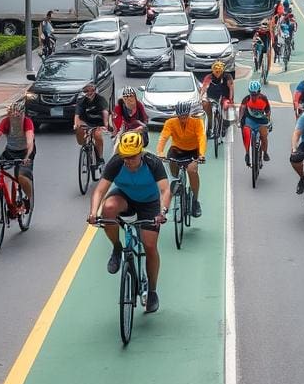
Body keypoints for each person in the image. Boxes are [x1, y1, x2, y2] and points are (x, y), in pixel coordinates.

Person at [88, 132, 171, 312]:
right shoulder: (117, 162)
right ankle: (117, 248)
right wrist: (93, 212)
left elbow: (165, 190)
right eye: (125, 156)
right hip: (125, 196)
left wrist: (162, 212)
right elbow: (99, 191)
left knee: (149, 246)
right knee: (108, 208)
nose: (128, 161)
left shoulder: (152, 162)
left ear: (140, 152)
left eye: (132, 157)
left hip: (149, 203)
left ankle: (152, 291)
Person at [0, 101, 36, 210]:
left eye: (18, 116)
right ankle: (8, 194)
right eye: (12, 116)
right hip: (10, 150)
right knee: (2, 171)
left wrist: (27, 156)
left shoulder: (27, 122)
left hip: (25, 152)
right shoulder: (5, 122)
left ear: (23, 115)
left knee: (22, 176)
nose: (15, 119)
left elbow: (29, 142)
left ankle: (28, 198)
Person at [156, 100, 206, 217]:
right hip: (176, 150)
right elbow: (163, 137)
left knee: (191, 170)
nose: (183, 119)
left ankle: (195, 201)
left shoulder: (197, 122)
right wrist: (160, 151)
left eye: (185, 116)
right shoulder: (170, 123)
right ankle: (177, 187)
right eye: (180, 117)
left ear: (189, 114)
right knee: (173, 174)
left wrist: (202, 154)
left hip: (193, 151)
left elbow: (201, 138)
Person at [74, 82, 110, 166]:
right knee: (79, 131)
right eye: (86, 91)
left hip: (98, 122)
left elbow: (105, 112)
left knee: (97, 136)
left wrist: (106, 124)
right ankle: (85, 146)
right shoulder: (81, 101)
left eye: (92, 90)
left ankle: (100, 157)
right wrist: (76, 124)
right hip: (85, 122)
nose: (89, 93)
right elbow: (77, 115)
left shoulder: (100, 99)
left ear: (95, 91)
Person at [238, 80, 272, 166]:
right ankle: (247, 153)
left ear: (259, 92)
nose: (254, 96)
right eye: (252, 94)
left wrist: (269, 121)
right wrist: (240, 120)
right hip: (250, 119)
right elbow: (241, 109)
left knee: (264, 136)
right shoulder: (246, 99)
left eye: (256, 94)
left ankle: (265, 153)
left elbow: (268, 111)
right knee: (246, 133)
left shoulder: (264, 99)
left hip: (261, 120)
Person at [200, 61, 234, 135]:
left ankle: (224, 124)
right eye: (216, 72)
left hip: (224, 96)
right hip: (212, 96)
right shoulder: (209, 77)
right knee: (205, 105)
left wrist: (231, 99)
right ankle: (209, 126)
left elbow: (231, 88)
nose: (217, 73)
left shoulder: (228, 76)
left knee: (226, 106)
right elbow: (204, 87)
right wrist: (201, 97)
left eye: (219, 72)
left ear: (222, 71)